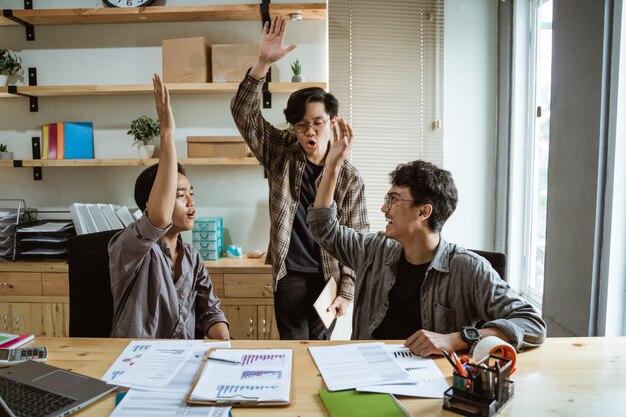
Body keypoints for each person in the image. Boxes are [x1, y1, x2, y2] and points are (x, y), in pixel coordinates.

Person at [307, 125, 546, 356]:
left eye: (393, 200)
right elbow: (323, 227)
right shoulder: (374, 249)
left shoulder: (468, 269)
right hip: (368, 370)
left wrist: (457, 339)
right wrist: (332, 166)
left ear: (424, 212)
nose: (383, 208)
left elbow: (532, 324)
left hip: (434, 380)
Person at [231, 16, 369, 340]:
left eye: (318, 123)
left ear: (332, 122)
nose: (310, 132)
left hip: (330, 275)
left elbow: (356, 239)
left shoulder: (349, 177)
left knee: (320, 349)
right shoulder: (281, 151)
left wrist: (347, 292)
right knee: (292, 348)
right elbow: (243, 114)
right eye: (302, 124)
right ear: (293, 126)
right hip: (289, 272)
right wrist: (262, 64)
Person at [109, 74, 229, 340]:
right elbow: (159, 218)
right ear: (152, 202)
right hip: (134, 360)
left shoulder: (193, 258)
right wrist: (167, 133)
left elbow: (210, 311)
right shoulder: (130, 247)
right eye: (180, 194)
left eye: (191, 193)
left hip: (182, 359)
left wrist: (225, 342)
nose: (191, 201)